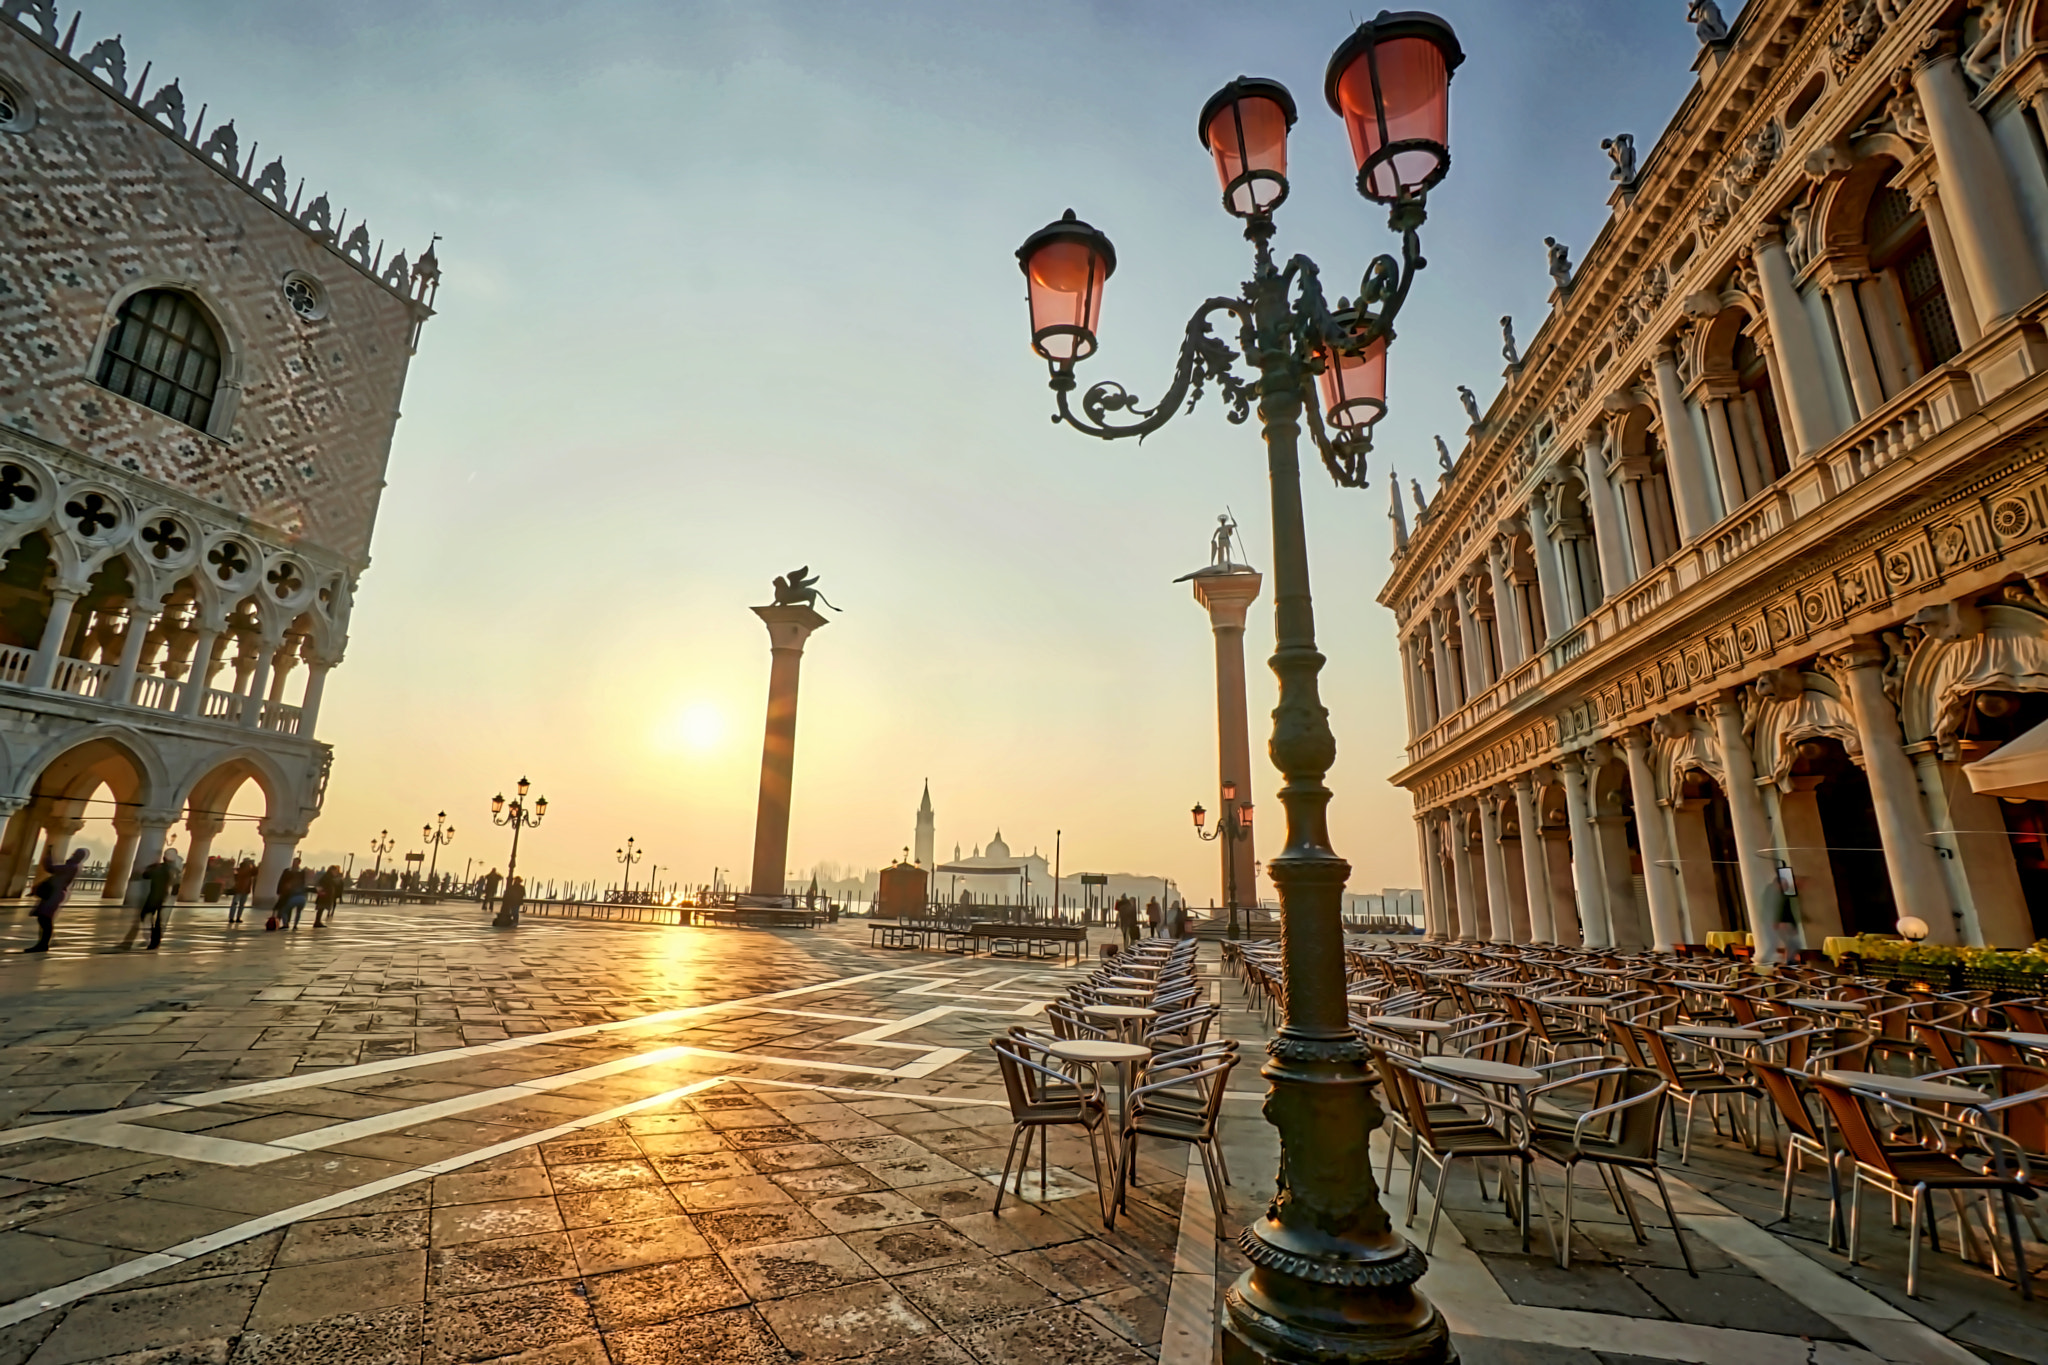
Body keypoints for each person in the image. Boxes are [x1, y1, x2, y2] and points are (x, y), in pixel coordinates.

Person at [25, 845, 87, 953]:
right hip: (54, 894)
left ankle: (43, 944)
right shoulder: (73, 866)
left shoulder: (71, 866)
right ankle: (43, 943)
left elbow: (50, 868)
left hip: (54, 895)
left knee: (45, 919)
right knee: (44, 918)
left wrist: (48, 854)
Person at [119, 847, 181, 951]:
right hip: (165, 897)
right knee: (158, 920)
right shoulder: (175, 870)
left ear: (164, 858)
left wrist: (146, 869)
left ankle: (151, 940)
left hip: (155, 895)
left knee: (146, 915)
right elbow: (176, 884)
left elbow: (146, 875)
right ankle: (155, 941)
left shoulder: (159, 868)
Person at [271, 858, 306, 930]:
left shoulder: (301, 872)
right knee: (284, 907)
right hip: (286, 892)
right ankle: (282, 922)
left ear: (299, 863)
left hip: (293, 892)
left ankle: (288, 923)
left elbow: (303, 883)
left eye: (296, 862)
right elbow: (281, 880)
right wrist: (279, 891)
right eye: (293, 862)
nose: (294, 863)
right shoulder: (287, 871)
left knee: (287, 908)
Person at [228, 859, 257, 924]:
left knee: (238, 904)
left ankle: (234, 917)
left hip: (243, 890)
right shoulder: (242, 871)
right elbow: (254, 872)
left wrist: (253, 865)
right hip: (240, 890)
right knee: (238, 904)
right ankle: (234, 917)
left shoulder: (247, 871)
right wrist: (252, 865)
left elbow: (255, 872)